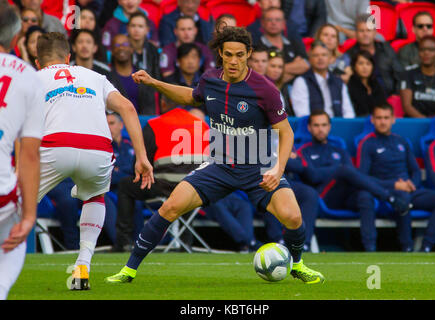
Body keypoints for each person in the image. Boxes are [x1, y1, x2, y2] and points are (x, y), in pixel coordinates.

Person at [106, 26, 325, 285]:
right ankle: (129, 270)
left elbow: (286, 133)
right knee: (170, 206)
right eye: (228, 54)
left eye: (240, 55)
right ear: (220, 53)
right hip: (219, 165)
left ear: (249, 54)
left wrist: (277, 170)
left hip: (258, 167)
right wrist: (154, 82)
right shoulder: (210, 80)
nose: (234, 60)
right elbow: (190, 96)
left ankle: (297, 264)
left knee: (293, 216)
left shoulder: (265, 90)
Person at [35, 32, 152, 290]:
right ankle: (83, 266)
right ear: (69, 57)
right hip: (98, 150)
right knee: (95, 196)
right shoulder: (96, 77)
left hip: (56, 146)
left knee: (14, 204)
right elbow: (129, 109)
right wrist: (141, 157)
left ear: (37, 61)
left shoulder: (33, 78)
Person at [293, 110, 410, 252]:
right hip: (322, 197)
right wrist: (337, 169)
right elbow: (313, 176)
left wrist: (336, 171)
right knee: (344, 170)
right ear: (309, 128)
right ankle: (389, 197)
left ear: (329, 127)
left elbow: (355, 176)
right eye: (316, 125)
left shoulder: (339, 150)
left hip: (346, 195)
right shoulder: (303, 151)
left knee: (364, 195)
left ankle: (370, 248)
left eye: (324, 125)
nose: (320, 129)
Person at [112, 107, 210, 252]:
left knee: (125, 186)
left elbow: (141, 163)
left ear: (163, 103)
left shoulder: (154, 124)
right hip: (194, 187)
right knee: (189, 187)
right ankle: (186, 242)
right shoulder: (201, 125)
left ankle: (125, 242)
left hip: (162, 186)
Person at [356, 103, 435, 252]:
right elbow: (362, 177)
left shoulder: (402, 141)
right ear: (372, 120)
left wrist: (412, 184)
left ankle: (426, 246)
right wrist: (394, 185)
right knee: (401, 197)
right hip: (384, 193)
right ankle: (407, 246)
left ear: (393, 119)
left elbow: (416, 171)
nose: (383, 121)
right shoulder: (367, 143)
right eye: (379, 118)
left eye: (386, 117)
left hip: (409, 189)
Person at [0, 2, 43, 300]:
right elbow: (29, 154)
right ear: (16, 38)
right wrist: (29, 216)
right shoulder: (28, 76)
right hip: (3, 193)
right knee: (11, 245)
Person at [290, 40, 355, 118]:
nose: (320, 58)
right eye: (316, 55)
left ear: (330, 58)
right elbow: (302, 115)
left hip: (339, 127)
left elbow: (349, 113)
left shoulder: (339, 82)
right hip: (314, 127)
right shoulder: (301, 82)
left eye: (324, 55)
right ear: (309, 59)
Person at [345, 14, 404, 97]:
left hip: (388, 97)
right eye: (361, 31)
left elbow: (400, 74)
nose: (365, 34)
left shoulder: (386, 49)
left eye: (368, 30)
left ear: (375, 32)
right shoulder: (350, 54)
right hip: (361, 98)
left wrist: (396, 95)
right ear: (356, 33)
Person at [103, 112, 138, 245]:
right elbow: (106, 174)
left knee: (136, 200)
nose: (108, 127)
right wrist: (123, 171)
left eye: (111, 123)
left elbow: (135, 170)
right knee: (105, 202)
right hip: (107, 189)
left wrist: (117, 170)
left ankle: (138, 244)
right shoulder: (102, 146)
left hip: (127, 187)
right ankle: (120, 244)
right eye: (105, 124)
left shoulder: (131, 145)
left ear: (121, 125)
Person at [108, 34, 159, 115]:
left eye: (125, 44)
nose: (121, 48)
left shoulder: (143, 75)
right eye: (117, 45)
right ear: (112, 51)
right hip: (118, 124)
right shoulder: (107, 78)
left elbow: (150, 104)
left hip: (143, 122)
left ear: (132, 49)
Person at [400, 36, 435, 118]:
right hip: (414, 122)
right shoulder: (408, 75)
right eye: (422, 49)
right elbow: (407, 106)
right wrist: (425, 121)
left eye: (431, 50)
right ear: (418, 52)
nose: (426, 53)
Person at [256, 7, 309, 83]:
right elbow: (263, 74)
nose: (273, 23)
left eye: (277, 20)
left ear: (284, 24)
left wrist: (274, 70)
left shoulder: (293, 41)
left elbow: (305, 65)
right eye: (269, 19)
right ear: (262, 23)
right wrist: (294, 69)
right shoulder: (257, 46)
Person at [162, 43, 202, 113]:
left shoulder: (205, 82)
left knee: (197, 114)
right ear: (178, 61)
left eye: (194, 57)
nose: (190, 61)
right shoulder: (169, 81)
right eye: (186, 57)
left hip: (197, 121)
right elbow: (163, 108)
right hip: (175, 120)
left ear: (199, 61)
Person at [347, 50, 388, 117]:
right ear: (354, 66)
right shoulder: (349, 86)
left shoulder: (376, 85)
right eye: (361, 63)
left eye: (368, 64)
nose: (365, 67)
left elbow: (384, 106)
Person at [127, 11, 161, 81]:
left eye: (140, 26)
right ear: (128, 28)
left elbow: (157, 76)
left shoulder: (153, 50)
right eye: (133, 26)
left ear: (147, 30)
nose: (136, 30)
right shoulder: (122, 49)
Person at [265, 48, 294, 116]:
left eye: (280, 67)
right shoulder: (261, 86)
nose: (276, 70)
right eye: (273, 66)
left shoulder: (283, 87)